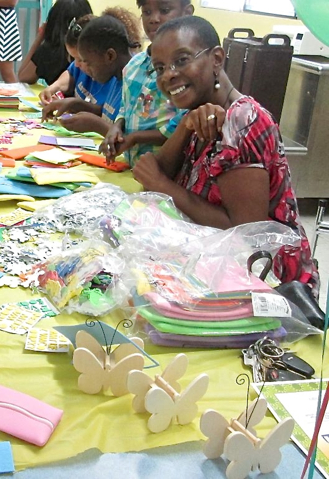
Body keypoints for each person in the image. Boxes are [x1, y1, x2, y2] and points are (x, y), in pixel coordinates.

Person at [131, 16, 319, 296]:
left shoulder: (242, 122)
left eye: (181, 60)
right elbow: (150, 174)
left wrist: (164, 187)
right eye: (160, 68)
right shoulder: (200, 114)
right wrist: (185, 125)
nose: (168, 74)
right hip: (211, 270)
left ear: (217, 58)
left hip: (267, 287)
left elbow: (247, 237)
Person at [99, 0, 193, 166]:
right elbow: (126, 107)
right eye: (147, 12)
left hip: (166, 173)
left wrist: (136, 138)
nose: (153, 19)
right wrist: (117, 126)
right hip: (131, 167)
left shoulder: (187, 71)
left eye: (164, 10)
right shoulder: (134, 65)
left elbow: (183, 124)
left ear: (187, 13)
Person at [41, 15, 135, 136]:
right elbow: (108, 112)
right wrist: (74, 104)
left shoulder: (135, 82)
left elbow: (133, 141)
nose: (84, 68)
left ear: (110, 56)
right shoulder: (117, 75)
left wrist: (96, 125)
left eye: (88, 63)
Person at [39, 7, 142, 106]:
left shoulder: (114, 77)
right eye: (73, 58)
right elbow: (71, 74)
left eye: (81, 59)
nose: (76, 64)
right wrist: (53, 88)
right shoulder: (88, 65)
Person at [19, 0, 92, 85]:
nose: (77, 64)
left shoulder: (49, 51)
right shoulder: (93, 53)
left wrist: (40, 37)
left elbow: (23, 76)